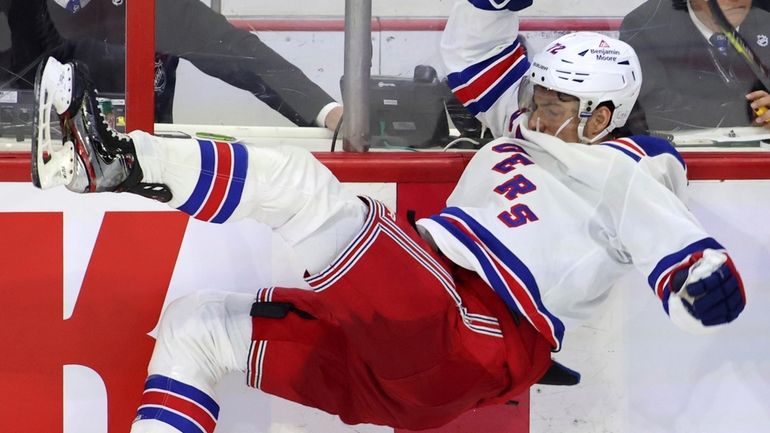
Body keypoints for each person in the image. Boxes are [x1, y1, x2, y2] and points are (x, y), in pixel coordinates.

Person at [32, 1, 746, 431]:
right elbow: (470, 51)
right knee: (200, 330)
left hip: (470, 326)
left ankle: (119, 159)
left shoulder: (629, 171)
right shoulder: (523, 127)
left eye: (558, 102)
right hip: (416, 371)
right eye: (540, 93)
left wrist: (706, 283)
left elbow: (679, 254)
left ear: (601, 119)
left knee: (299, 189)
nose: (537, 109)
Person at [0, 0, 342, 128]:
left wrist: (327, 112)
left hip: (145, 175)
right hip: (29, 173)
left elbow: (243, 57)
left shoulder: (159, 5)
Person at [620, 0, 770, 133]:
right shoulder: (644, 25)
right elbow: (653, 106)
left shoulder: (766, 22)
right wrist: (744, 113)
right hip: (680, 156)